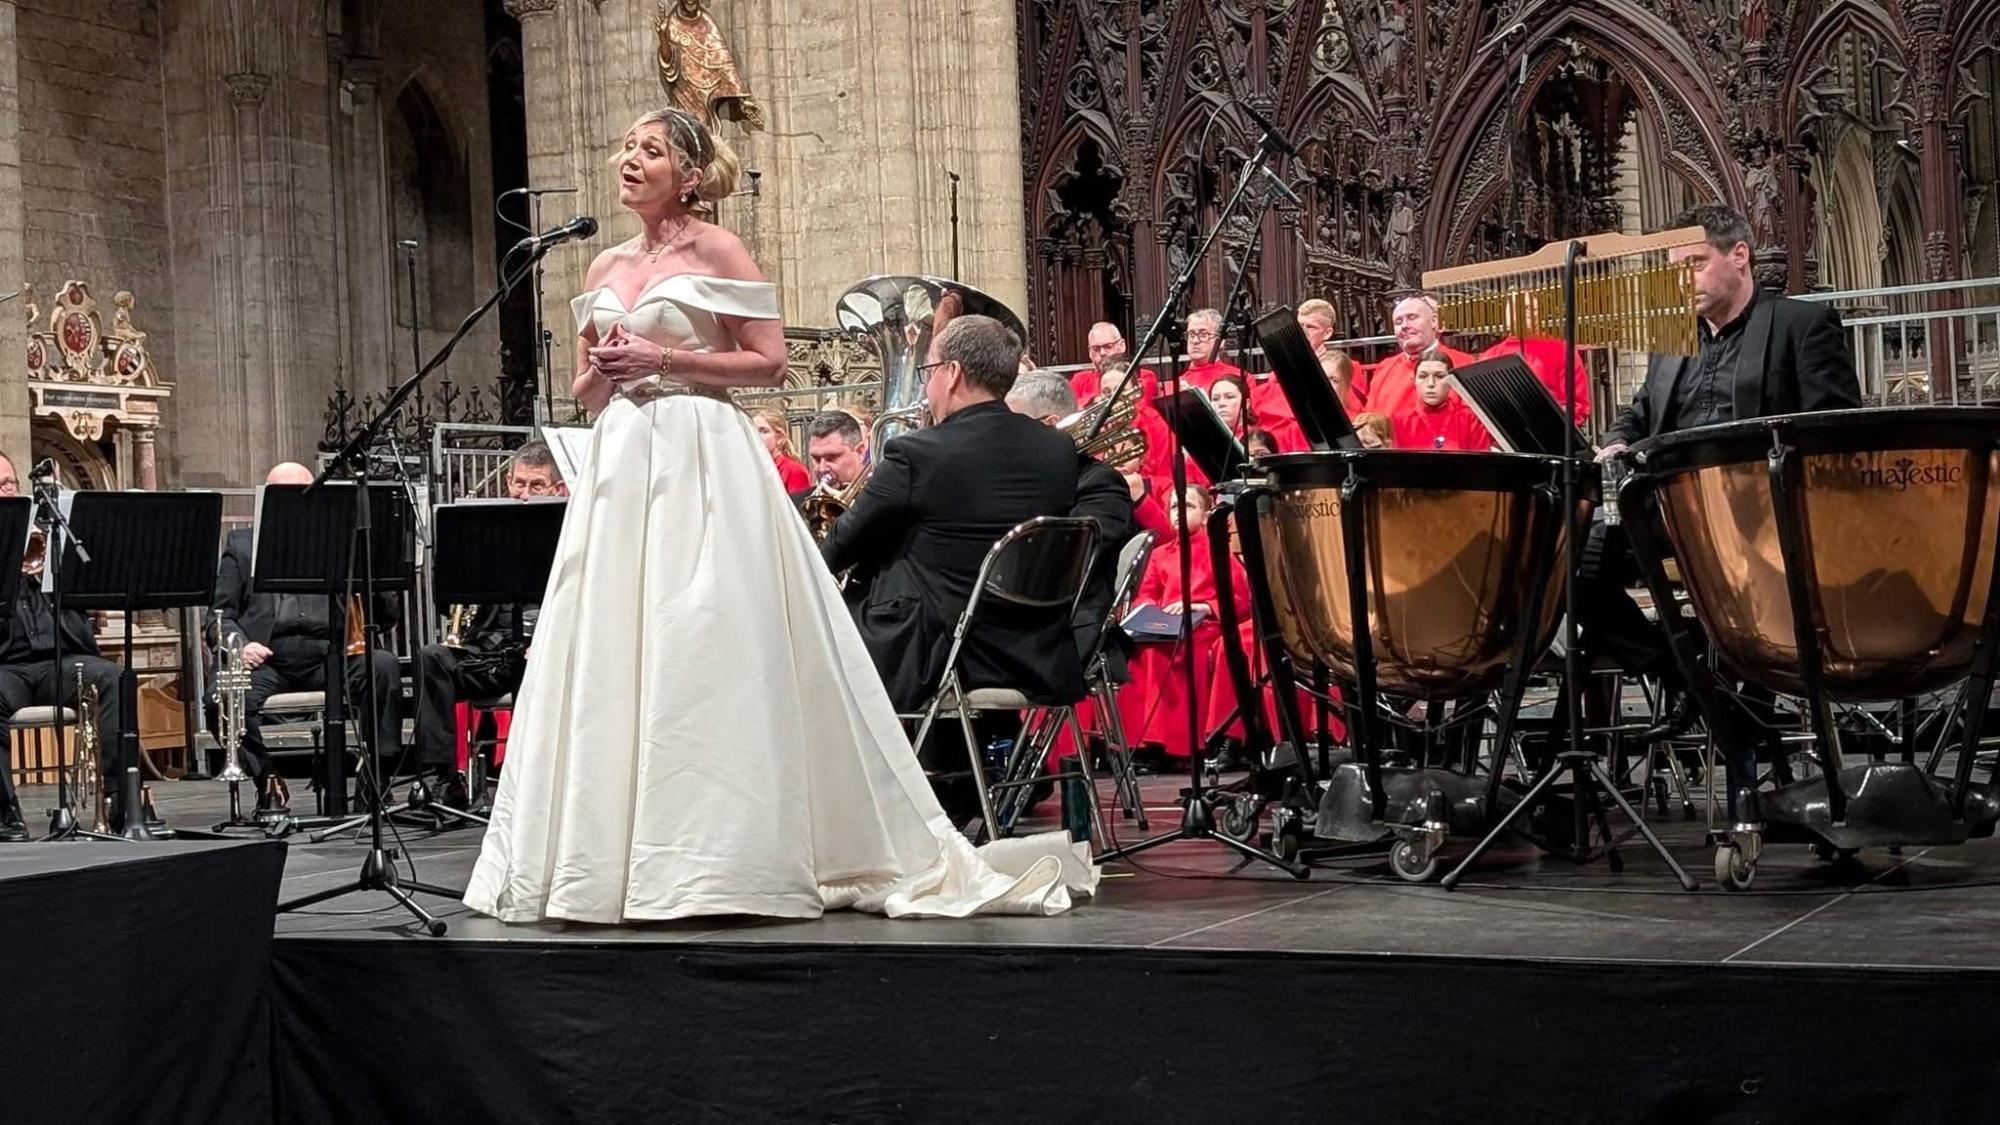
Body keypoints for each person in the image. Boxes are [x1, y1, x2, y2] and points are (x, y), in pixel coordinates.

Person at [466, 108, 1090, 924]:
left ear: (688, 173)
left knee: (703, 635)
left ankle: (717, 855)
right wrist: (607, 373)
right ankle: (604, 858)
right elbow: (586, 387)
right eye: (625, 147)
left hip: (699, 446)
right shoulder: (604, 263)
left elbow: (767, 362)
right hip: (624, 453)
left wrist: (665, 357)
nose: (630, 159)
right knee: (612, 638)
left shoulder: (717, 250)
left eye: (650, 150)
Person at [1587, 203, 1858, 805]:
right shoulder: (1671, 344)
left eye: (1694, 263)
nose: (1682, 280)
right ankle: (1689, 677)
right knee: (1577, 566)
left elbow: (1836, 428)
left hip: (1765, 519)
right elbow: (1639, 410)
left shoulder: (1798, 325)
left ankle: (1732, 716)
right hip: (1673, 515)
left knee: (1739, 588)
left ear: (1739, 256)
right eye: (1672, 267)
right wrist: (1617, 438)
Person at [824, 315, 1088, 711]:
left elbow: (840, 548)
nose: (925, 383)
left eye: (927, 369)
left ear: (952, 373)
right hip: (1036, 651)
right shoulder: (1058, 449)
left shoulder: (916, 453)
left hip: (942, 655)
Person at [212, 462, 405, 813]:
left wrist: (372, 568)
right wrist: (241, 645)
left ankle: (374, 780)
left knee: (383, 667)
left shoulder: (340, 540)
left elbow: (386, 617)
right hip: (268, 656)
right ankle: (268, 780)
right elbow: (219, 615)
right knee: (220, 698)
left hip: (331, 653)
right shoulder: (242, 545)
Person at [411, 442, 567, 807]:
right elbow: (450, 596)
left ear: (558, 489)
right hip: (492, 650)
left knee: (532, 664)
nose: (523, 494)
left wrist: (548, 638)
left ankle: (533, 785)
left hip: (546, 648)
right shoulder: (489, 527)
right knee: (432, 658)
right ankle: (444, 778)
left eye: (536, 486)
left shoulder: (569, 532)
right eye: (519, 484)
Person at [0, 451, 126, 840]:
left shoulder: (52, 530)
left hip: (63, 657)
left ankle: (116, 802)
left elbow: (94, 583)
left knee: (114, 678)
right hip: (6, 665)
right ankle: (6, 814)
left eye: (9, 484)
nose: (6, 492)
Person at [1117, 484, 1249, 767]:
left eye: (1187, 506)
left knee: (1181, 650)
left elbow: (1240, 601)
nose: (1179, 513)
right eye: (1175, 507)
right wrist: (1149, 610)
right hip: (1165, 624)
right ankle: (1148, 743)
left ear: (1205, 515)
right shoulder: (1160, 554)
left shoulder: (1219, 552)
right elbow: (1147, 593)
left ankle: (1182, 746)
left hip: (1205, 625)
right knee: (1142, 651)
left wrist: (1204, 606)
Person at [1353, 295, 1474, 419]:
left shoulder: (1466, 365)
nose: (1404, 325)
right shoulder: (1384, 368)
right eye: (1398, 322)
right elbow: (1370, 420)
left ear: (1434, 321)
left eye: (1412, 317)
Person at [1390, 351, 1493, 451]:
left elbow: (1481, 464)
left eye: (1439, 376)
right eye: (1423, 376)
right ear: (1414, 381)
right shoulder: (1399, 421)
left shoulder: (1470, 419)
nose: (1431, 384)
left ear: (1451, 381)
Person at [803, 410, 868, 493]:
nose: (822, 469)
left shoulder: (883, 501)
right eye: (817, 459)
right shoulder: (795, 503)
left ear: (860, 452)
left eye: (831, 458)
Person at [749, 408, 811, 491]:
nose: (755, 436)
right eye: (752, 431)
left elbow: (798, 502)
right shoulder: (752, 468)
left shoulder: (794, 471)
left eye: (764, 431)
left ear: (779, 438)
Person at [1179, 308, 1241, 391]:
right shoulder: (1176, 385)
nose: (1195, 341)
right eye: (1191, 335)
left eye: (1203, 335)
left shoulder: (1240, 378)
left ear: (1221, 341)